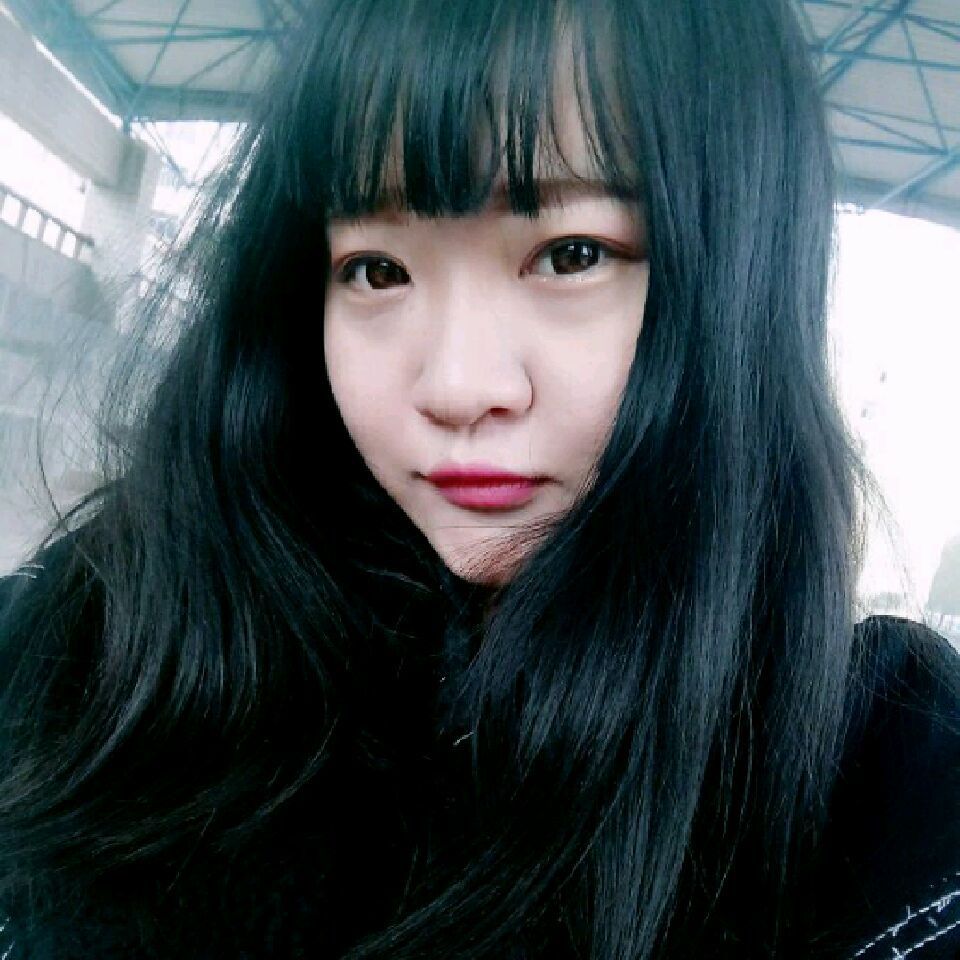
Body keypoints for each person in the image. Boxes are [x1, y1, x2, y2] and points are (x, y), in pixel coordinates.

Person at [0, 0, 958, 957]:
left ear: (745, 279)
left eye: (572, 255)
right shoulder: (105, 642)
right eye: (377, 270)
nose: (457, 387)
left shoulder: (883, 774)